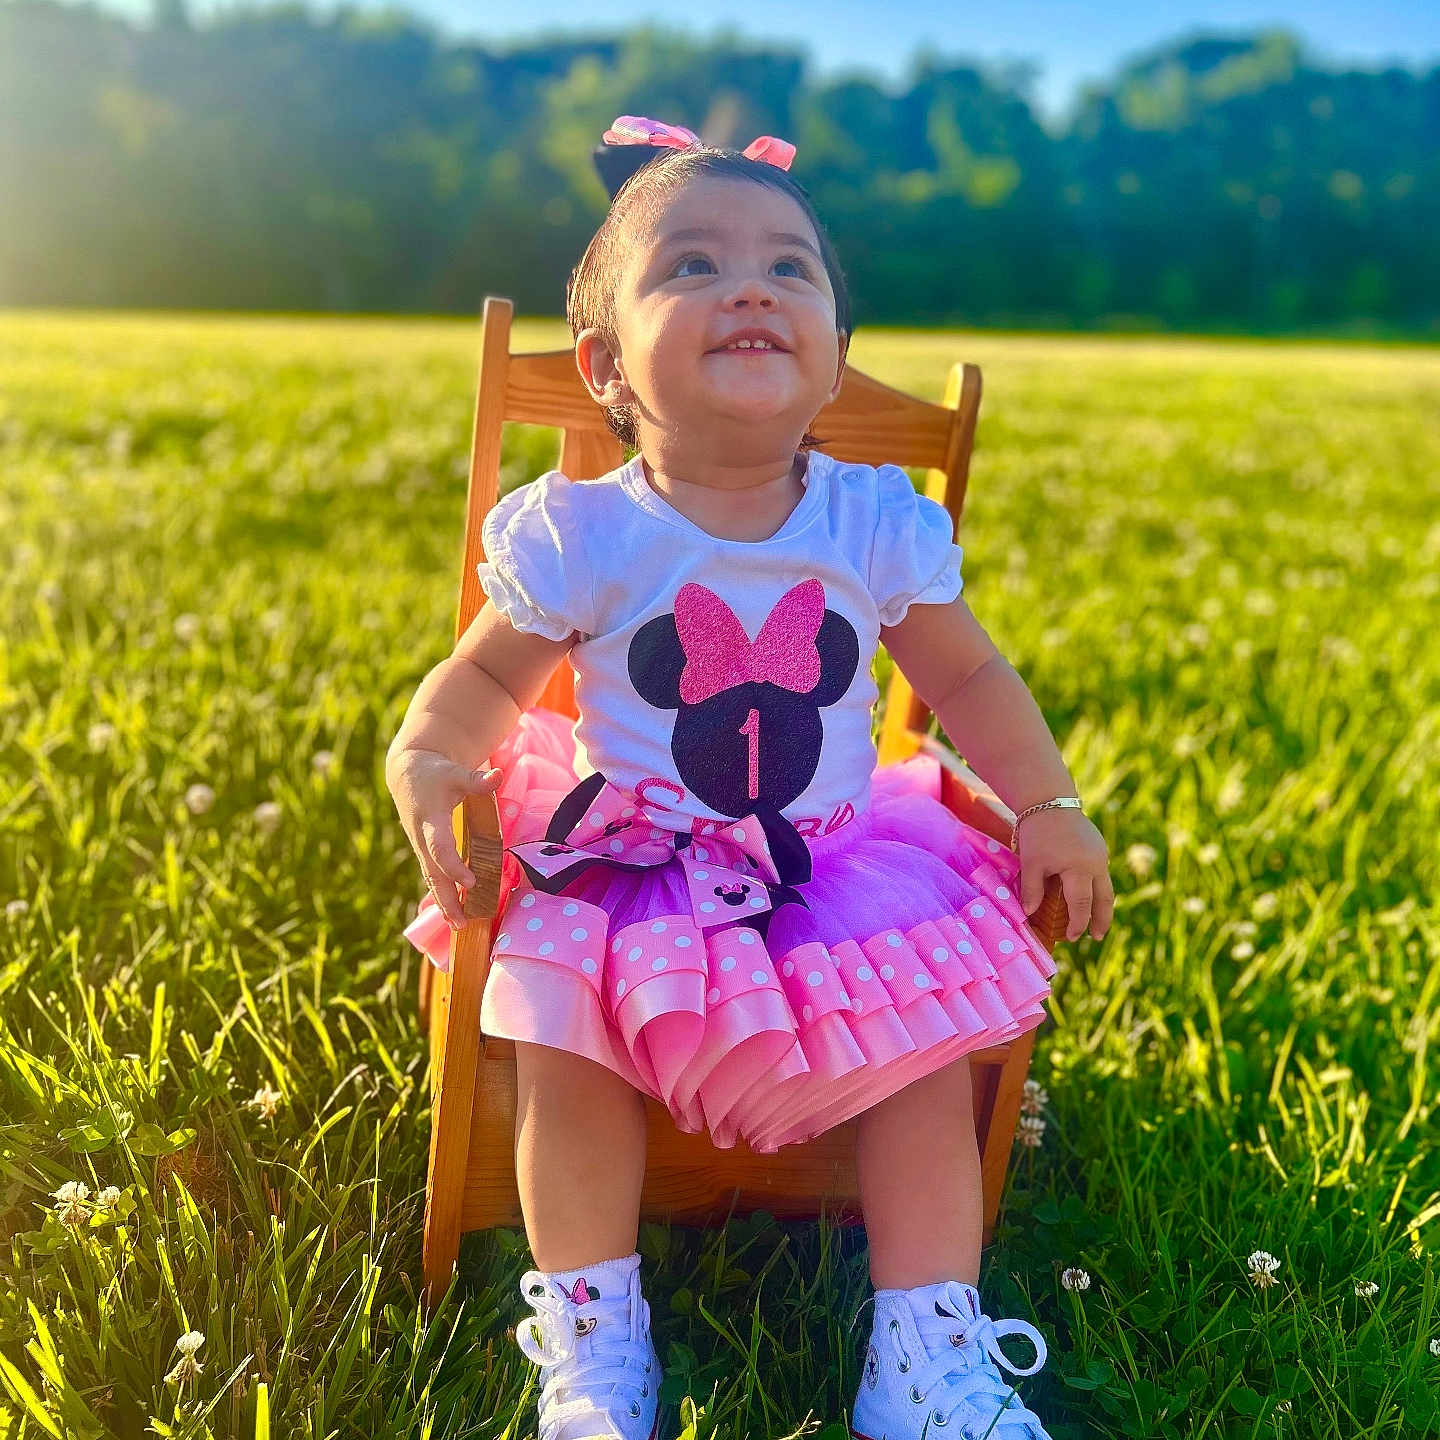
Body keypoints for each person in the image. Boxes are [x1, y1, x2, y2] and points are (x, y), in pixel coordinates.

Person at [387, 113, 1114, 1440]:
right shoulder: (588, 533)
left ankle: (925, 1350)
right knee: (565, 1027)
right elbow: (486, 676)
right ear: (606, 366)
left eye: (791, 267)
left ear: (834, 349)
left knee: (920, 1048)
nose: (751, 290)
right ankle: (595, 1339)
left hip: (836, 869)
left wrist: (1049, 804)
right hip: (637, 865)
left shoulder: (870, 522)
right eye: (692, 266)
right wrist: (432, 749)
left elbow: (969, 681)